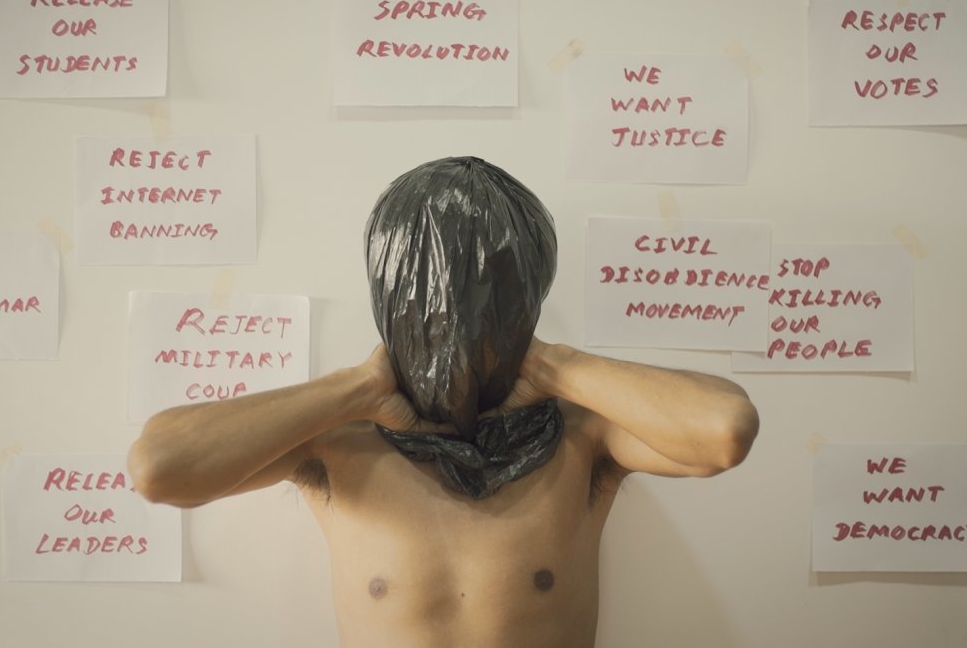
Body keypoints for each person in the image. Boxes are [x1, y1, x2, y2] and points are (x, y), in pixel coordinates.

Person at [128, 158, 759, 648]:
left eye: (488, 299)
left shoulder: (584, 438)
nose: (457, 325)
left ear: (526, 300)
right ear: (391, 301)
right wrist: (356, 389)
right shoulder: (336, 442)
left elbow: (724, 429)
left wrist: (552, 364)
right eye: (430, 303)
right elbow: (160, 467)